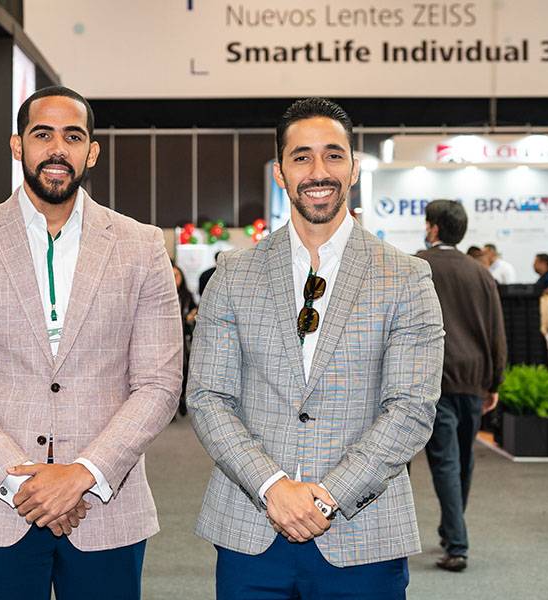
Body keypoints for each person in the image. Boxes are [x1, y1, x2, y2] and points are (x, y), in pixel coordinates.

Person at [0, 86, 182, 600]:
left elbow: (159, 384)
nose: (58, 149)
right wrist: (25, 483)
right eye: (43, 135)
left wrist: (82, 474)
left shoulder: (142, 246)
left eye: (73, 137)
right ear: (17, 145)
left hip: (106, 505)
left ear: (92, 152)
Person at [187, 97, 444, 599]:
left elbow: (411, 408)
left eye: (333, 155)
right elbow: (208, 396)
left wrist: (327, 497)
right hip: (251, 529)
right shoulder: (234, 274)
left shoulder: (407, 277)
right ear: (280, 172)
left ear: (353, 168)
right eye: (301, 157)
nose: (318, 171)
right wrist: (272, 487)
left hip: (363, 534)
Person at [417, 200, 507, 573]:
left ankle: (457, 544)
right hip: (474, 377)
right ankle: (452, 531)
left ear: (435, 228)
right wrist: (495, 381)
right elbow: (497, 331)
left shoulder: (417, 265)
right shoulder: (481, 273)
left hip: (435, 377)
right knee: (464, 460)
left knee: (446, 461)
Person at [173, 263, 197, 416]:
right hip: (168, 340)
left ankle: (182, 399)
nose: (174, 279)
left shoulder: (187, 296)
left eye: (176, 275)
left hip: (184, 339)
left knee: (184, 369)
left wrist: (191, 316)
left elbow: (195, 310)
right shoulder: (161, 296)